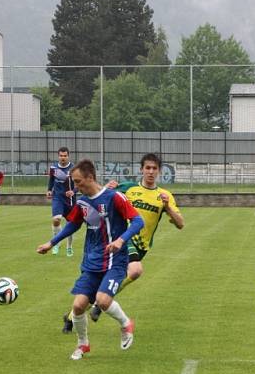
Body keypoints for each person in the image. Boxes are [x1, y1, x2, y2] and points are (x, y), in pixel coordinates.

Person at [37, 159, 144, 360]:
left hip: (114, 261)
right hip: (92, 262)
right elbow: (73, 224)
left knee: (103, 300)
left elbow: (138, 221)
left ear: (90, 177)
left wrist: (121, 240)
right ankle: (83, 344)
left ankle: (126, 324)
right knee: (78, 306)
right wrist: (52, 243)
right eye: (74, 183)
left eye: (78, 182)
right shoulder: (82, 202)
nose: (76, 186)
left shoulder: (114, 198)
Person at [66, 153, 184, 331]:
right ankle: (99, 305)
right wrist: (108, 186)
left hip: (142, 245)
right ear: (141, 169)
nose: (150, 172)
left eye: (154, 168)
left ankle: (73, 316)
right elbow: (100, 194)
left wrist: (167, 208)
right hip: (123, 239)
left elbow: (180, 224)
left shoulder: (164, 195)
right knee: (135, 270)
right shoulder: (128, 188)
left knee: (104, 284)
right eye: (147, 168)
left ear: (159, 171)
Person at [46, 147, 76, 256]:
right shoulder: (53, 167)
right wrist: (49, 190)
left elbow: (79, 183)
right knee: (56, 219)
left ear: (68, 156)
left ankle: (69, 246)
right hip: (57, 198)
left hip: (70, 200)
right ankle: (56, 243)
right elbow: (51, 180)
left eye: (65, 156)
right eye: (61, 156)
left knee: (70, 225)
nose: (63, 158)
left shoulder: (73, 168)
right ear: (58, 156)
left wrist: (73, 191)